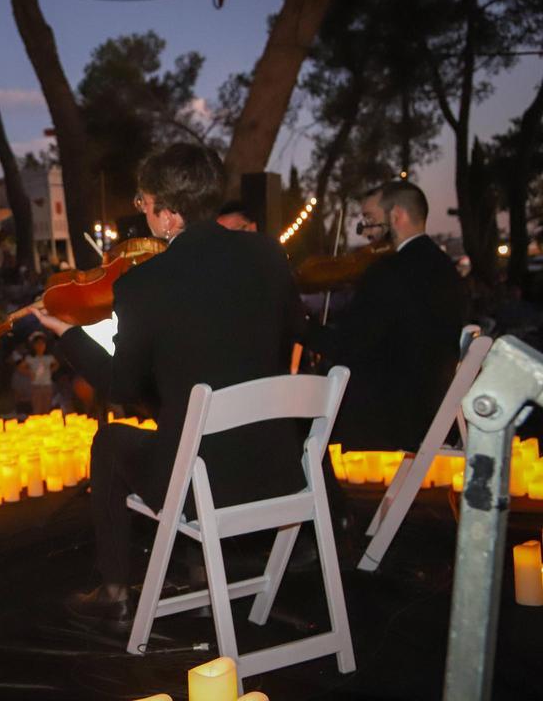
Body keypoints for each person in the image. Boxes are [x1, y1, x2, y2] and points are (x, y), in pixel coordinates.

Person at [31, 143, 305, 628]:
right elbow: (279, 341)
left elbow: (121, 385)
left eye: (144, 201)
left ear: (169, 214)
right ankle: (196, 568)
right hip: (279, 466)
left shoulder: (145, 284)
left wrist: (67, 333)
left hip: (207, 482)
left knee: (113, 439)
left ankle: (114, 589)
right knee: (179, 423)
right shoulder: (268, 254)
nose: (143, 211)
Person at [304, 181, 467, 453]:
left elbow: (346, 346)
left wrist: (299, 326)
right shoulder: (445, 269)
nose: (365, 231)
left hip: (388, 418)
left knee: (298, 417)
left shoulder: (388, 272)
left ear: (396, 216)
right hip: (432, 406)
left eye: (369, 219)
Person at [19, 333, 59, 414]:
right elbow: (20, 367)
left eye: (42, 343)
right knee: (37, 407)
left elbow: (57, 364)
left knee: (47, 407)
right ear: (34, 345)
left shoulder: (48, 357)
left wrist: (51, 370)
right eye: (38, 343)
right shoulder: (30, 358)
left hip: (47, 385)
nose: (40, 346)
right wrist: (29, 373)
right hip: (36, 386)